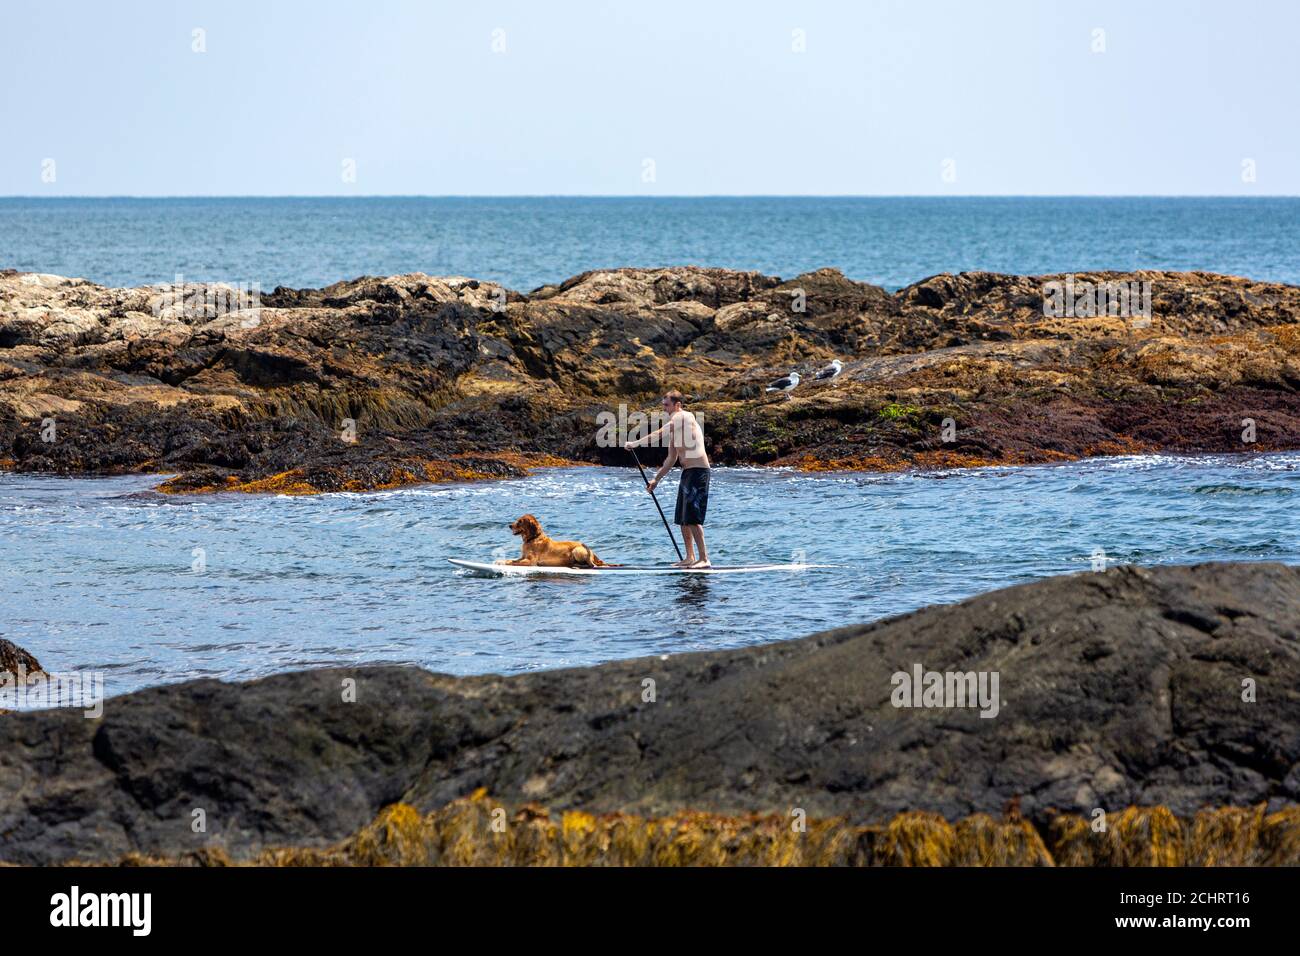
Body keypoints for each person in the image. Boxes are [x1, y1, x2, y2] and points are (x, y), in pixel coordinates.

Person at [624, 390, 711, 568]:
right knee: (682, 518)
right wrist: (656, 480)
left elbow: (659, 433)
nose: (664, 408)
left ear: (677, 405)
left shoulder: (683, 416)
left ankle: (704, 559)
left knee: (693, 517)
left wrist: (635, 443)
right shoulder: (676, 428)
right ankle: (689, 557)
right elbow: (671, 459)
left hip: (699, 472)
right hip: (687, 472)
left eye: (667, 405)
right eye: (663, 405)